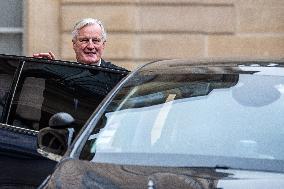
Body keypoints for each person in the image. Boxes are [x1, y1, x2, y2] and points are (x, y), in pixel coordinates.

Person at [33, 18, 125, 70]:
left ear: (103, 45)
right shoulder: (63, 73)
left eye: (96, 40)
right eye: (84, 40)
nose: (90, 46)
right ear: (74, 44)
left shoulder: (119, 77)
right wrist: (51, 69)